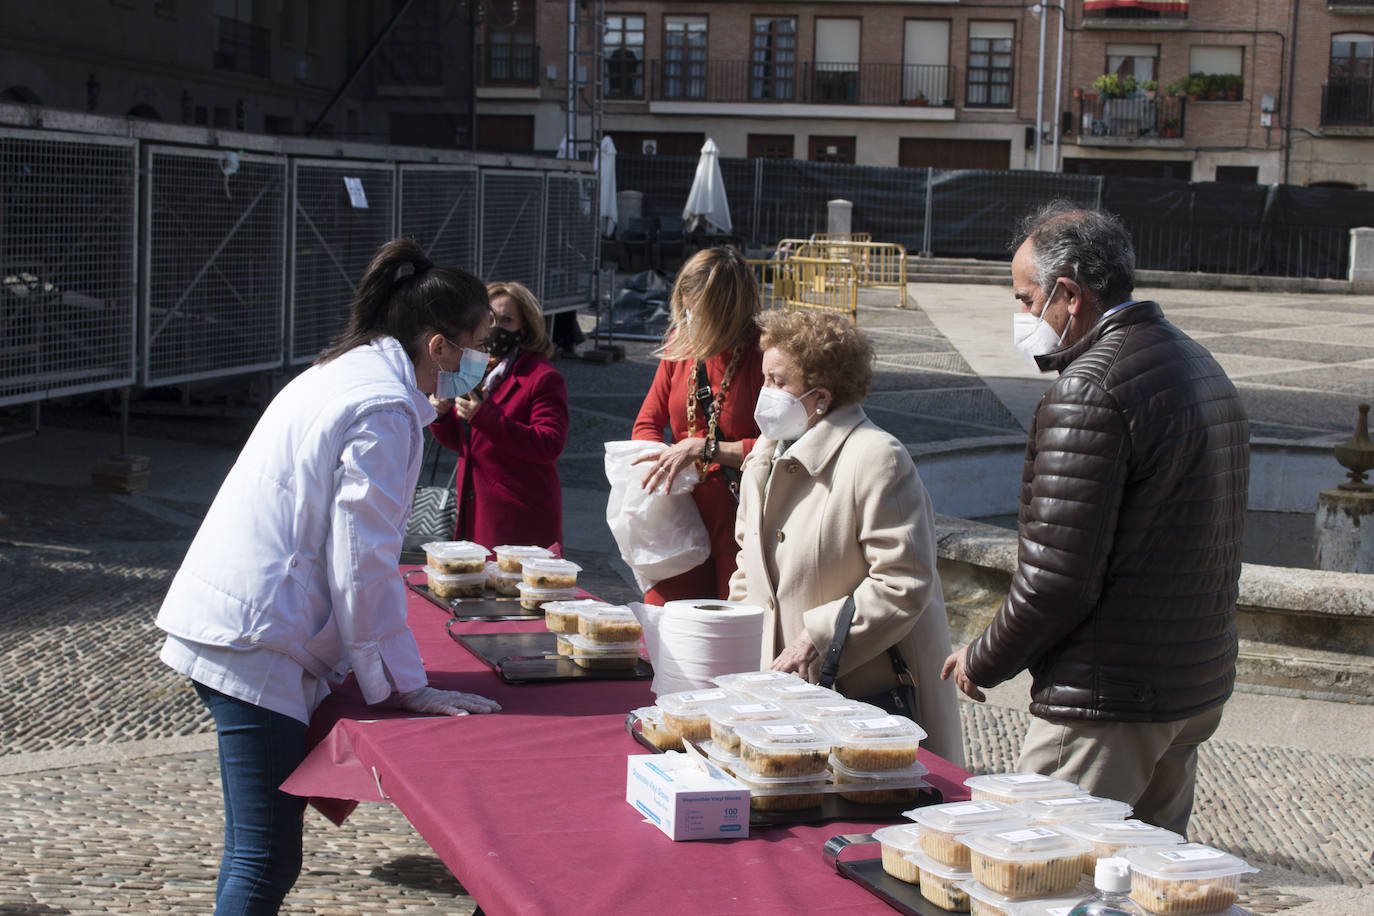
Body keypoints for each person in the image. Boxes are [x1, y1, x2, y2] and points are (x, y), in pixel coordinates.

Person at [155, 238, 503, 915]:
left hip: (250, 617)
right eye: (480, 344)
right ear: (439, 346)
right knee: (263, 856)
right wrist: (406, 685)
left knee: (260, 851)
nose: (487, 361)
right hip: (257, 636)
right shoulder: (383, 405)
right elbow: (362, 557)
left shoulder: (353, 373)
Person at [941, 203, 1250, 835]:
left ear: (1070, 295)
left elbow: (1058, 578)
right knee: (1145, 884)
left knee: (1037, 874)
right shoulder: (1195, 360)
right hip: (1190, 680)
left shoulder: (1090, 388)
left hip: (1110, 696)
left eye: (1028, 301)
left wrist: (984, 658)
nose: (1025, 318)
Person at [727, 310, 964, 766]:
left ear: (820, 396)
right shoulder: (764, 453)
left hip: (865, 703)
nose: (765, 395)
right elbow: (747, 565)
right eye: (764, 379)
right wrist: (737, 645)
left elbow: (903, 582)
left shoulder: (877, 458)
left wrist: (814, 637)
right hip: (779, 698)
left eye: (778, 381)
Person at [631, 247, 765, 604]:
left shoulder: (763, 355)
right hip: (682, 514)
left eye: (700, 311)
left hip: (740, 518)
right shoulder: (683, 342)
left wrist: (705, 448)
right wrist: (663, 463)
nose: (690, 317)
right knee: (664, 618)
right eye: (686, 307)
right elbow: (646, 424)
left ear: (728, 312)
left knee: (728, 631)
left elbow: (783, 447)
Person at [429, 281, 569, 550]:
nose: (496, 329)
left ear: (524, 327)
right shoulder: (471, 365)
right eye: (491, 319)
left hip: (519, 517)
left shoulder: (542, 377)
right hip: (475, 511)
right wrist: (440, 415)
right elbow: (462, 442)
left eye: (507, 320)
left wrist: (484, 417)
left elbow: (549, 444)